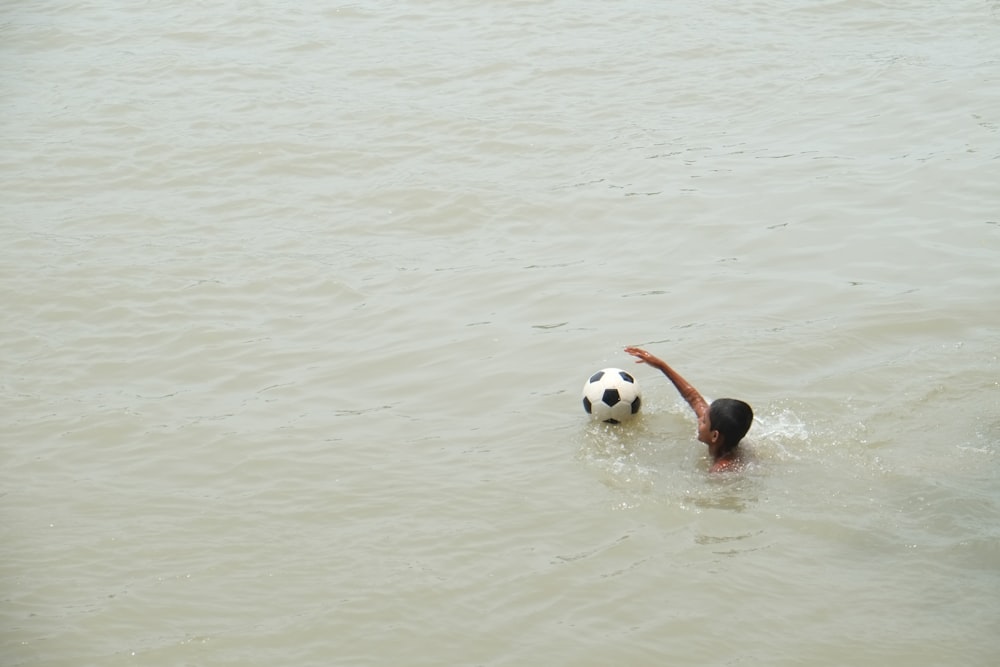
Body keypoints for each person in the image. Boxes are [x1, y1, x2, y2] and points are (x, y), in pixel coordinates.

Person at [624, 346, 753, 472]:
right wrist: (660, 365)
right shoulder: (724, 434)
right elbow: (693, 398)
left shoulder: (721, 470)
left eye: (704, 421)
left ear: (715, 436)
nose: (699, 418)